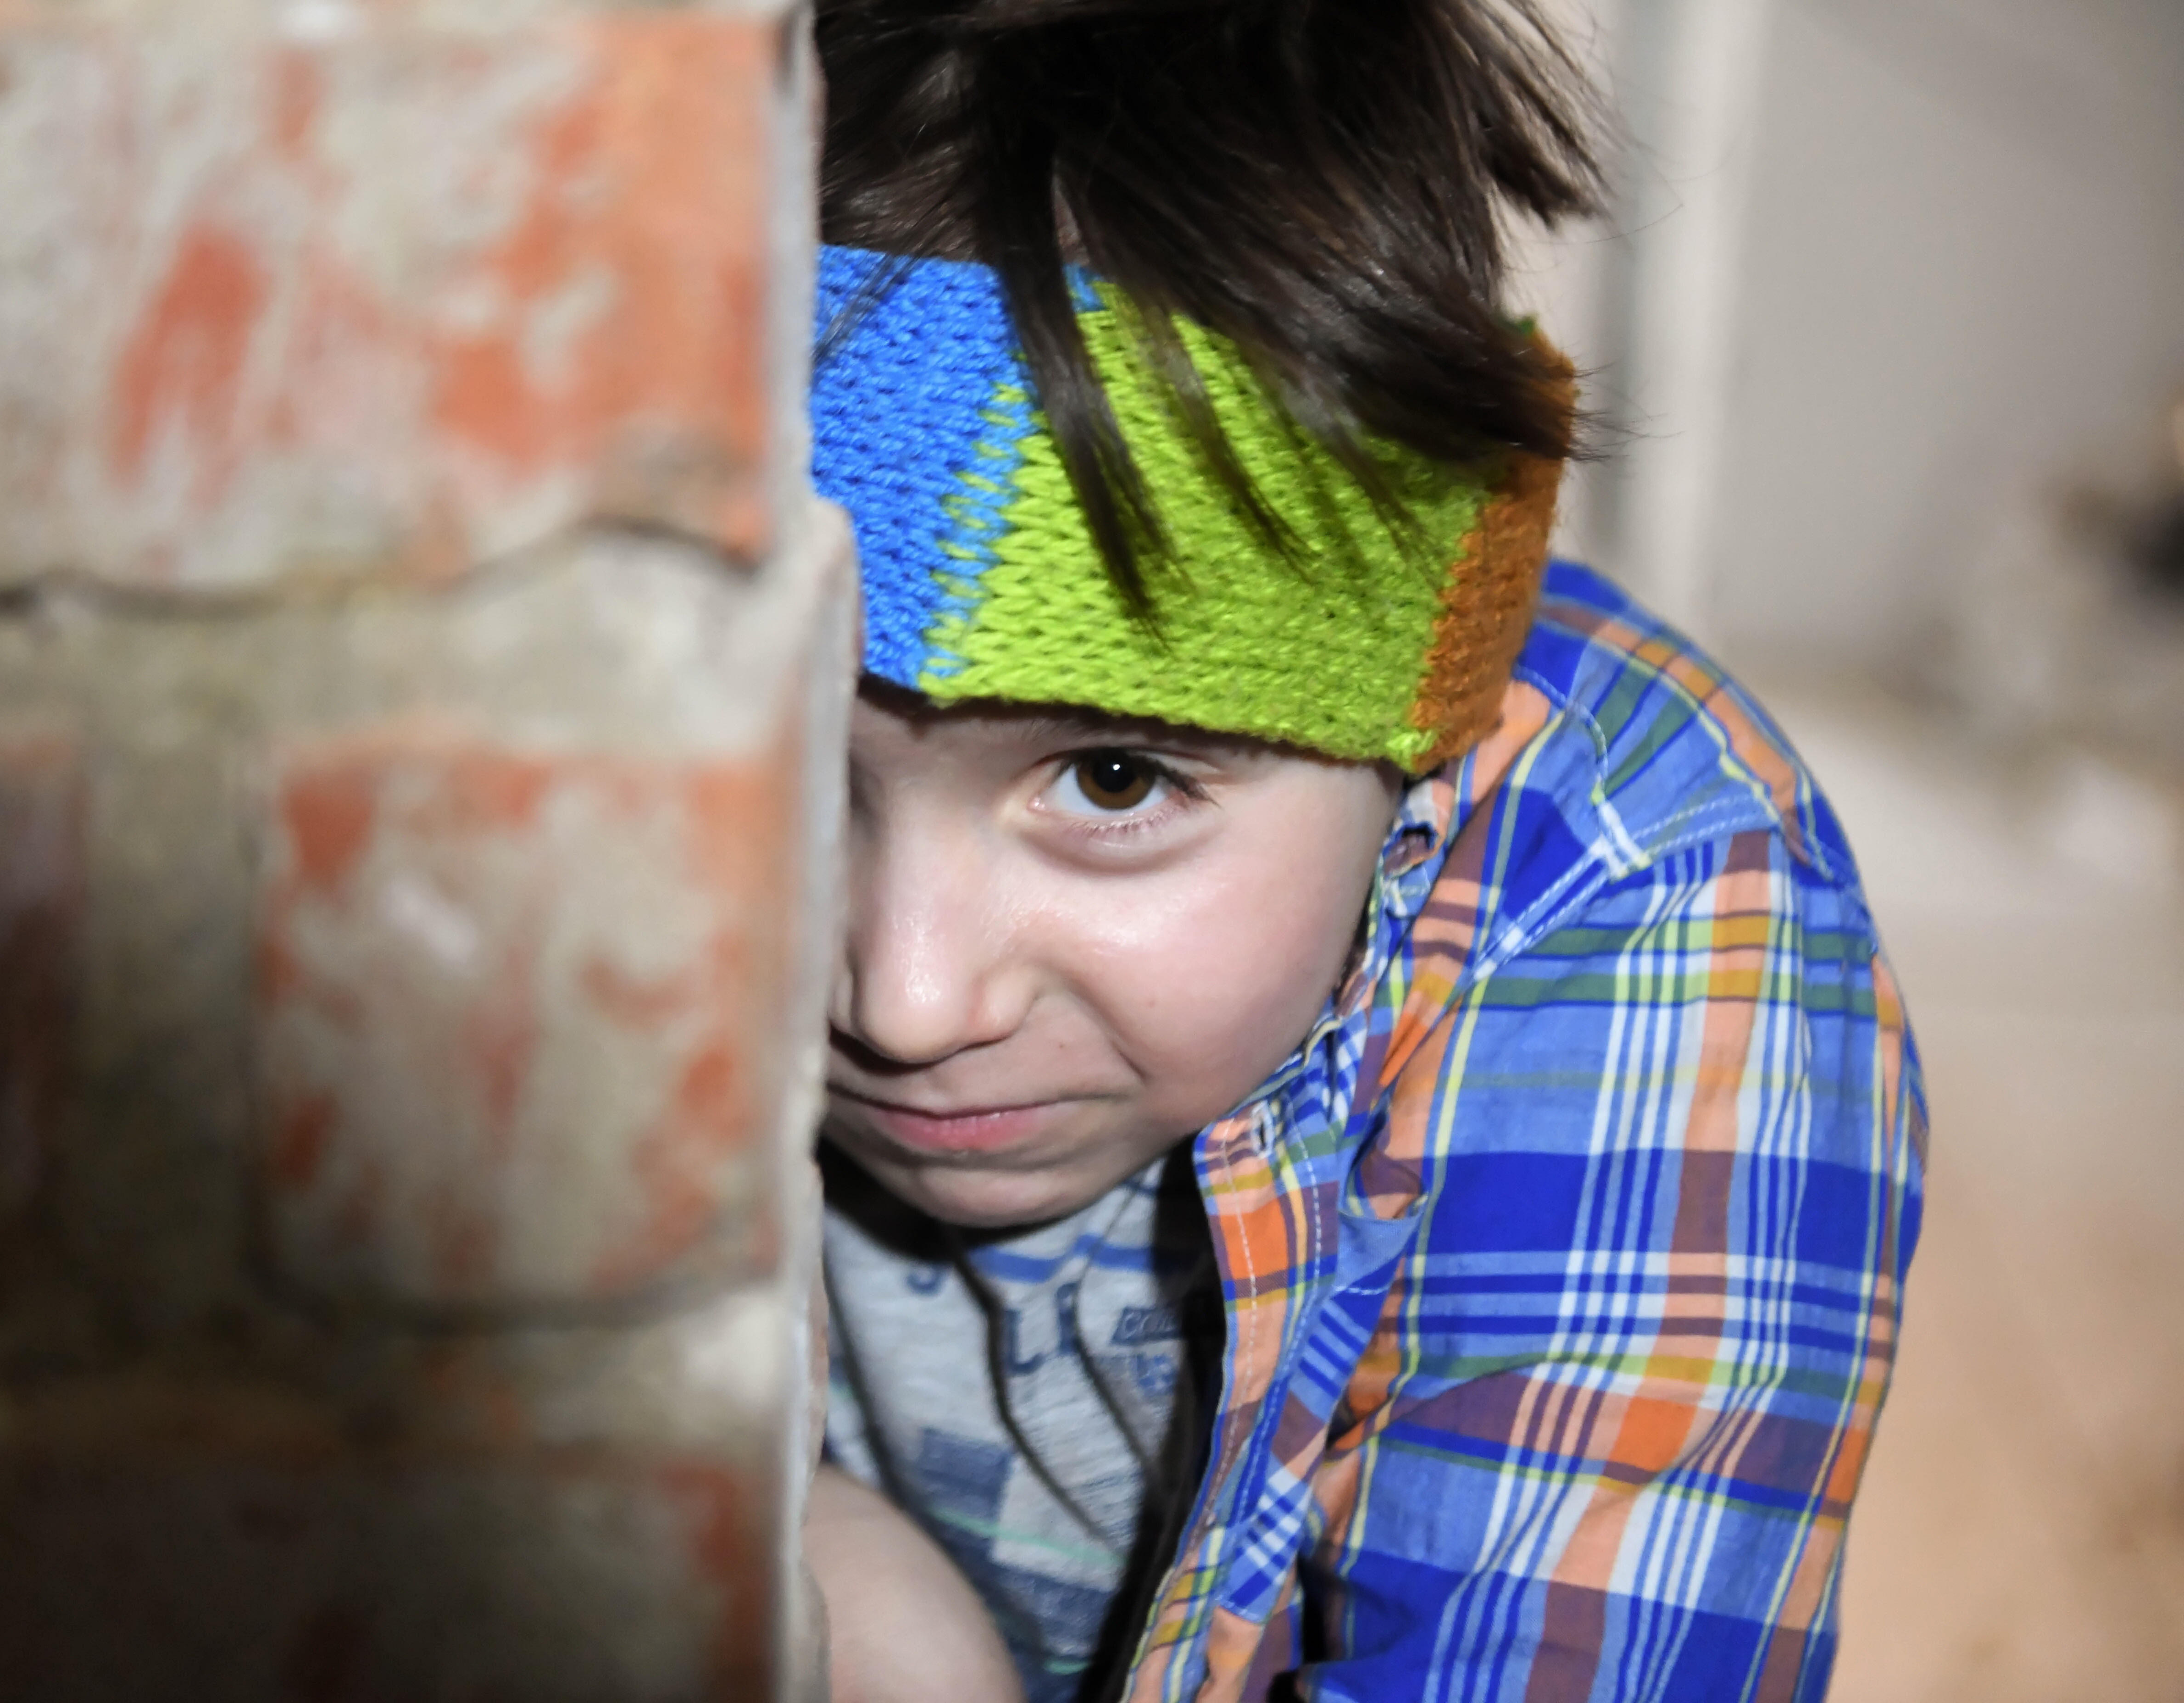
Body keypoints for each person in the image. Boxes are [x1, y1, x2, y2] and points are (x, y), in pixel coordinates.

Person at [795, 3, 1929, 1701]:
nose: (905, 1000)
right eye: (791, 778)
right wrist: (825, 1568)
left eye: (1113, 779)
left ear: (1419, 719)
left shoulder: (1660, 900)